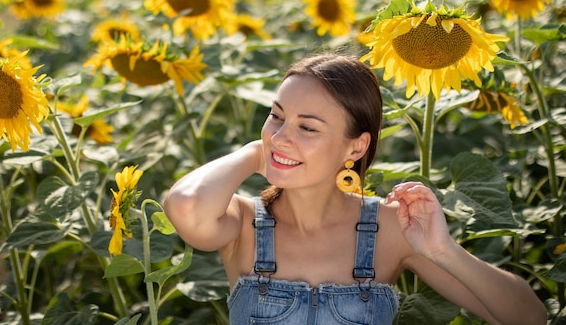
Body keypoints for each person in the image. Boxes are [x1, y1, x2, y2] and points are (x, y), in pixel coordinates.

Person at [163, 53, 546, 325]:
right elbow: (185, 206)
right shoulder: (244, 223)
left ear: (356, 147)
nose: (280, 137)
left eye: (307, 127)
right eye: (276, 116)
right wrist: (253, 153)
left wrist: (441, 250)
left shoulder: (391, 228)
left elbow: (528, 317)